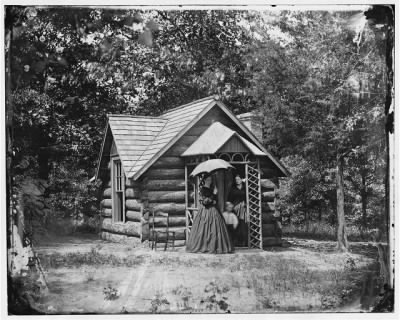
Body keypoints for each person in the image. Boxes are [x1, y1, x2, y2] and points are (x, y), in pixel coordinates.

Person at [186, 173, 234, 254]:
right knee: (203, 230)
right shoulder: (202, 190)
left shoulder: (212, 189)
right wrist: (213, 195)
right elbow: (204, 202)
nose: (210, 181)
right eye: (208, 179)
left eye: (210, 180)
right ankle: (204, 246)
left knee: (216, 230)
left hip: (214, 211)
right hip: (205, 211)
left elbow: (214, 201)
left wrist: (214, 196)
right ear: (204, 180)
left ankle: (215, 246)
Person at [228, 174, 248, 247]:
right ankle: (235, 242)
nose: (237, 181)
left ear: (241, 179)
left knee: (243, 224)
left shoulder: (245, 187)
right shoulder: (233, 188)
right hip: (235, 208)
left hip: (243, 208)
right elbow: (229, 199)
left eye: (238, 179)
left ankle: (244, 242)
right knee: (236, 224)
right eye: (236, 179)